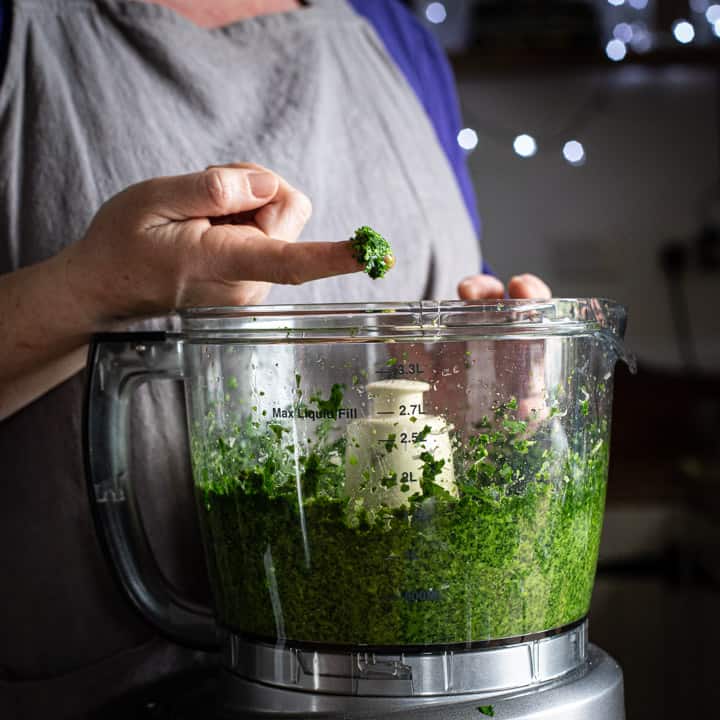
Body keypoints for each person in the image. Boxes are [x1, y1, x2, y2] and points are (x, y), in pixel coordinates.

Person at [0, 1, 550, 717]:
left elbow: (453, 345)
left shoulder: (395, 35)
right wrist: (96, 289)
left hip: (421, 683)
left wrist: (488, 376)